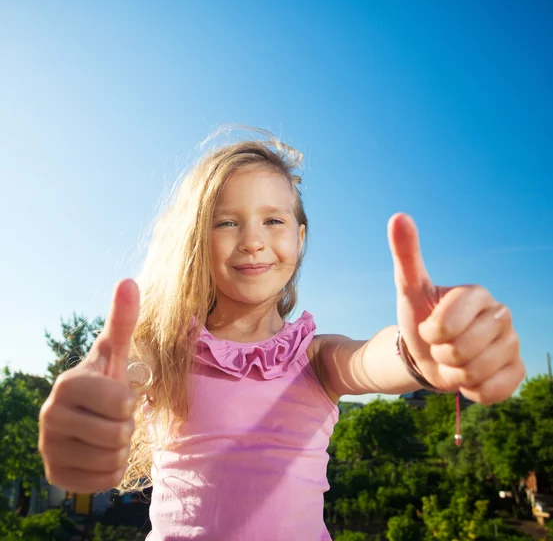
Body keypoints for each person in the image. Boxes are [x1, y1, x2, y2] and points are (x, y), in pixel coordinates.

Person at [38, 127, 525, 540]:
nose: (253, 239)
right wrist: (88, 403)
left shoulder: (316, 358)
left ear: (300, 237)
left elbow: (370, 361)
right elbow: (118, 375)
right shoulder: (165, 350)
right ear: (195, 240)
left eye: (274, 220)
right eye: (226, 222)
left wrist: (417, 353)